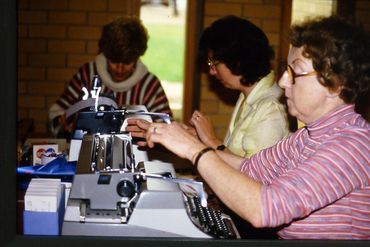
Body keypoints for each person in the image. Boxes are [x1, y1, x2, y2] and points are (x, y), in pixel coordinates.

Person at [129, 16, 370, 239]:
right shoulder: (309, 135)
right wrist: (180, 140)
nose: (283, 81)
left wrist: (195, 150)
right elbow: (248, 167)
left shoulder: (351, 146)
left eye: (295, 72)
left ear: (336, 85)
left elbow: (264, 209)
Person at [48, 16, 172, 137]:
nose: (120, 69)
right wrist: (66, 125)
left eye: (127, 63)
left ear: (136, 59)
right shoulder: (88, 75)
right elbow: (59, 113)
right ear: (106, 56)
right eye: (114, 62)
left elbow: (167, 127)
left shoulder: (149, 86)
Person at [189, 15, 290, 158]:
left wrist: (211, 140)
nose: (211, 71)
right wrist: (201, 139)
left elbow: (253, 175)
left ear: (236, 60)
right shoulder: (247, 95)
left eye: (214, 63)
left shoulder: (271, 109)